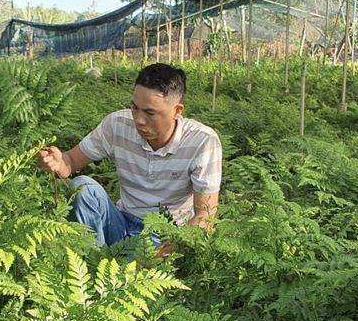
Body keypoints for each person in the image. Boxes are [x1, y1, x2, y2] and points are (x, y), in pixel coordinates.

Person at [37, 63, 222, 252]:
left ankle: (109, 269)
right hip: (121, 223)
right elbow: (70, 162)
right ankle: (93, 261)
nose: (139, 120)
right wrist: (57, 162)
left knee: (130, 269)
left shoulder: (202, 141)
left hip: (165, 236)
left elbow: (205, 218)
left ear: (177, 111)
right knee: (82, 186)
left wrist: (160, 256)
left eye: (150, 113)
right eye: (135, 108)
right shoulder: (117, 125)